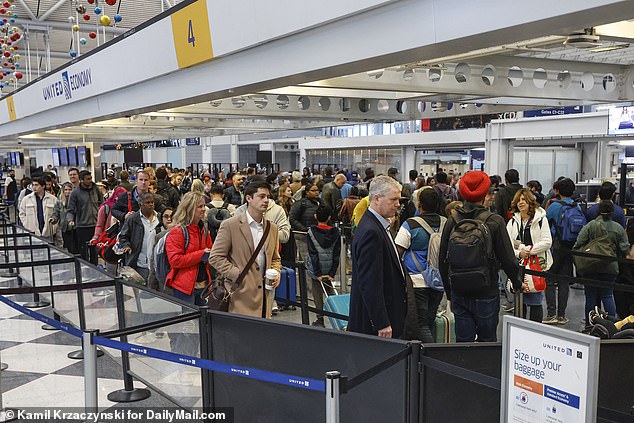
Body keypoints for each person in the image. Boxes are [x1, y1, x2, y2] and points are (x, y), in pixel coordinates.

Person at [438, 170, 520, 342]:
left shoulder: (452, 221)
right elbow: (508, 259)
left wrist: (450, 294)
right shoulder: (494, 221)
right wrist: (517, 282)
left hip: (459, 291)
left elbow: (442, 261)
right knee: (487, 340)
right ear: (485, 193)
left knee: (463, 341)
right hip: (486, 291)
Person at [210, 180, 282, 318]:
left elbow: (275, 258)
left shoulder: (272, 228)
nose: (266, 200)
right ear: (249, 198)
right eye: (261, 196)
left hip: (264, 299)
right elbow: (215, 257)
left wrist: (276, 272)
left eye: (268, 196)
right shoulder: (230, 225)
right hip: (239, 296)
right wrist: (236, 274)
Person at [348, 175, 407, 339]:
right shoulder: (371, 232)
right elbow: (370, 282)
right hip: (375, 325)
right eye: (393, 200)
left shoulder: (376, 225)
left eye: (399, 199)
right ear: (376, 199)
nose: (398, 204)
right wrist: (381, 322)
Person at [395, 188, 445, 343]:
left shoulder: (410, 224)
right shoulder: (447, 223)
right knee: (429, 319)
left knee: (420, 324)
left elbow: (398, 252)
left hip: (417, 280)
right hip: (439, 280)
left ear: (419, 204)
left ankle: (431, 355)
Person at [574, 200, 630, 331]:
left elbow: (578, 243)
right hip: (610, 266)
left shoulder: (590, 226)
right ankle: (612, 326)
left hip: (590, 265)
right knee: (608, 295)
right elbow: (624, 248)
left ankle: (589, 324)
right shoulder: (618, 228)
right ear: (612, 212)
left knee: (591, 295)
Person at [506, 189, 552, 323]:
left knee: (535, 301)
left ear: (530, 201)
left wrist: (527, 250)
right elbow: (507, 244)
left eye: (524, 199)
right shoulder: (513, 222)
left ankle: (535, 333)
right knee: (520, 302)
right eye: (518, 200)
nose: (521, 202)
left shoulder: (541, 220)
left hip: (536, 266)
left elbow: (547, 242)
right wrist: (519, 253)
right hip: (518, 265)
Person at [543, 177, 584, 325]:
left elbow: (544, 224)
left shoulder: (554, 206)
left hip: (555, 247)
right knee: (564, 281)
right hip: (570, 248)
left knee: (549, 280)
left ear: (558, 191)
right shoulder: (577, 207)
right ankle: (562, 315)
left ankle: (551, 313)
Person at [164, 192, 213, 304]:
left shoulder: (203, 229)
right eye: (200, 206)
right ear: (190, 208)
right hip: (184, 288)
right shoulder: (177, 231)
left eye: (204, 205)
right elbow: (175, 261)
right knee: (188, 320)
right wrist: (201, 254)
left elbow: (211, 252)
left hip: (204, 285)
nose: (204, 209)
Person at [306, 205, 341, 327]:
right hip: (330, 267)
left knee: (317, 294)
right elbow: (337, 253)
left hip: (317, 269)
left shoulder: (311, 232)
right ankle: (338, 316)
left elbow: (313, 254)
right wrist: (332, 273)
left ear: (315, 216)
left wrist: (317, 273)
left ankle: (320, 319)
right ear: (329, 217)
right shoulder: (336, 232)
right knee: (331, 292)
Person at [118, 192, 161, 283]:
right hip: (139, 263)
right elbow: (123, 236)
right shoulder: (133, 219)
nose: (151, 205)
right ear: (140, 204)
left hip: (157, 264)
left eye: (152, 202)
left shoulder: (159, 218)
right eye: (148, 202)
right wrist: (126, 245)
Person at [66, 170, 103, 264]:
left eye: (90, 178)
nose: (90, 180)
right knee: (84, 252)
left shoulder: (96, 189)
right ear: (81, 180)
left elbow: (102, 204)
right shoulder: (75, 193)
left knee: (95, 251)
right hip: (82, 226)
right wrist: (70, 220)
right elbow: (70, 209)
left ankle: (96, 271)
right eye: (88, 179)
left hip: (96, 226)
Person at [289, 182, 321, 261]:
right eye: (313, 190)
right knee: (304, 260)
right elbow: (292, 218)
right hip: (302, 236)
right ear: (307, 192)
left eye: (317, 190)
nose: (316, 192)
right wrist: (304, 229)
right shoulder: (300, 203)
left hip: (316, 235)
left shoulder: (320, 203)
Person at [51, 182, 74, 250]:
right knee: (66, 246)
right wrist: (53, 219)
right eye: (66, 190)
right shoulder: (59, 202)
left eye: (70, 189)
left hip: (74, 227)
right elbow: (56, 213)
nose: (68, 192)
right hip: (64, 228)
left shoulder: (75, 200)